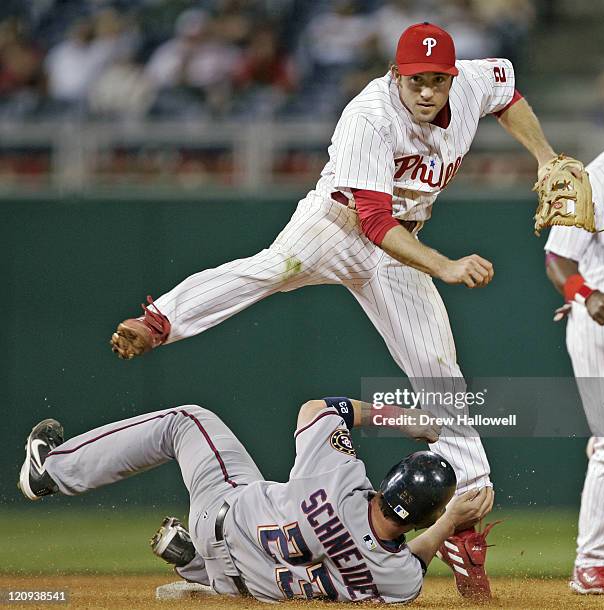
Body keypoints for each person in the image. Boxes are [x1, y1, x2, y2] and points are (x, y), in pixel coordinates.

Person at [110, 21, 568, 598]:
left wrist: (547, 158)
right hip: (338, 224)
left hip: (403, 249)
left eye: (438, 81)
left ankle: (465, 535)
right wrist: (446, 266)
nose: (428, 92)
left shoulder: (469, 85)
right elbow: (375, 222)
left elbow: (509, 92)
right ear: (395, 74)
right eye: (416, 80)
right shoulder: (369, 116)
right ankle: (161, 321)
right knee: (273, 269)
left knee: (440, 375)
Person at [18, 397, 490, 603]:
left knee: (186, 421)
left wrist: (400, 419)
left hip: (220, 515)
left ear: (389, 480)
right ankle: (195, 566)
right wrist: (448, 520)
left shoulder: (338, 481)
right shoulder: (399, 581)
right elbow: (411, 557)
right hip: (246, 583)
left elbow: (320, 409)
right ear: (422, 519)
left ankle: (50, 472)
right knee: (290, 579)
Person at [544, 144, 604, 596]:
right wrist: (584, 294)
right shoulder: (594, 176)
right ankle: (593, 562)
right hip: (600, 319)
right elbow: (557, 258)